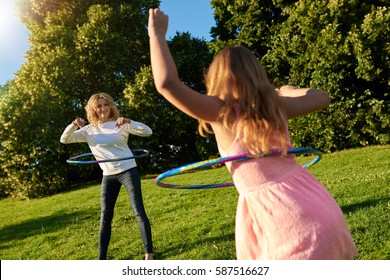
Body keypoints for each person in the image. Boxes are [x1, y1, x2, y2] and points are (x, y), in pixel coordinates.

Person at [148, 8, 357, 259]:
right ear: (257, 74)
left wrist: (156, 34)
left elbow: (167, 84)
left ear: (216, 77)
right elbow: (322, 96)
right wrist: (286, 90)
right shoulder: (275, 107)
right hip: (316, 205)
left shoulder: (221, 114)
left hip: (284, 219)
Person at [60, 92, 154, 260]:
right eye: (99, 106)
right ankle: (101, 259)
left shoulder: (120, 123)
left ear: (110, 105)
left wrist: (129, 122)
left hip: (127, 170)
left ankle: (149, 255)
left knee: (138, 211)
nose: (103, 108)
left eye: (106, 104)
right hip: (108, 175)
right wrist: (74, 125)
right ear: (93, 110)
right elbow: (64, 139)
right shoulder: (88, 130)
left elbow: (148, 131)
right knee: (105, 216)